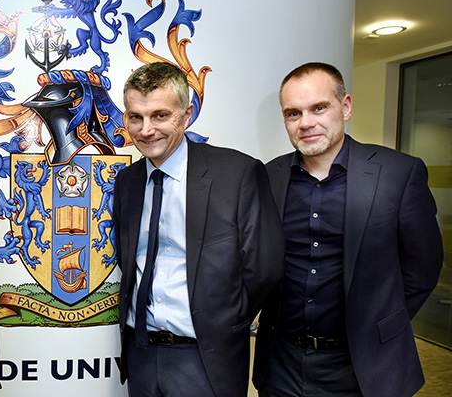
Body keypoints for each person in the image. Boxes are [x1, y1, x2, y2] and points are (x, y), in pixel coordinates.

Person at [252, 62, 444, 396]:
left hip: (363, 366)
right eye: (293, 113)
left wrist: (381, 323)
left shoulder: (398, 174)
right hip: (281, 362)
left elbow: (423, 268)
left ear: (346, 107)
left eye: (319, 108)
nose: (306, 123)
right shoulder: (269, 177)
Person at [114, 61, 285, 397]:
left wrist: (221, 319)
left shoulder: (237, 173)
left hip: (206, 357)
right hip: (142, 353)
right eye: (136, 117)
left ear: (187, 114)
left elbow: (265, 268)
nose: (146, 129)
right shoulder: (127, 181)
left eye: (160, 115)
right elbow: (128, 258)